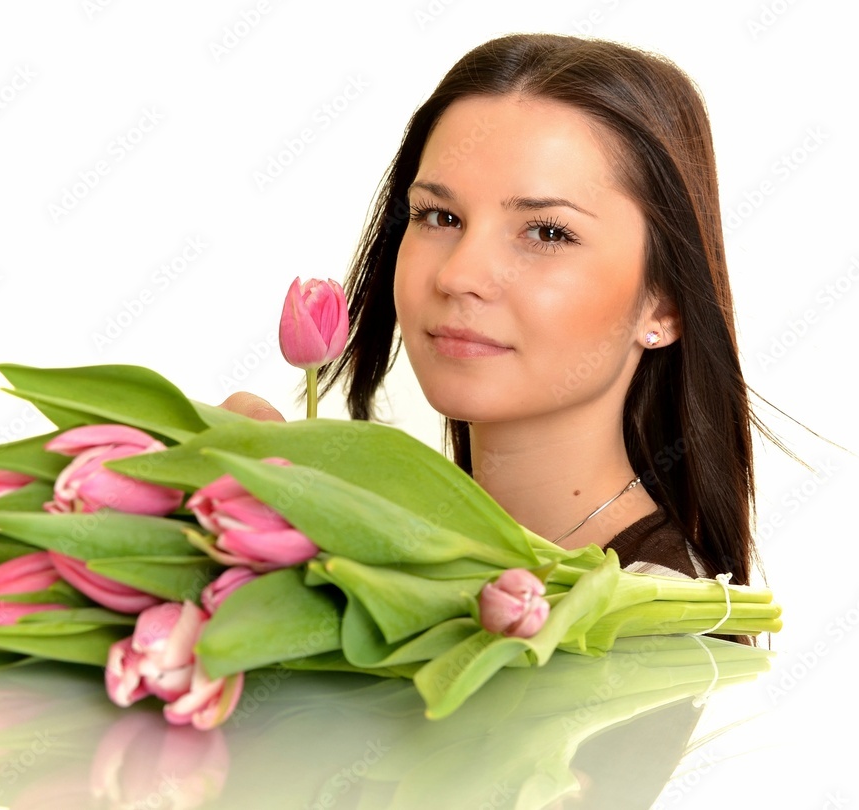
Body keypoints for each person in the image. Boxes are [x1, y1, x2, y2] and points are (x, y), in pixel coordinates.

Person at [225, 33, 766, 592]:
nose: (457, 275)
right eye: (438, 217)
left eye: (548, 232)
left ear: (667, 304)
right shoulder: (373, 541)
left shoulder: (657, 630)